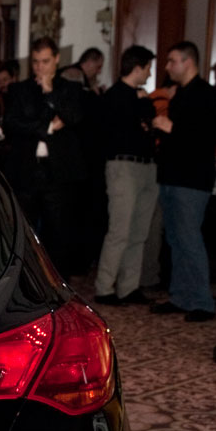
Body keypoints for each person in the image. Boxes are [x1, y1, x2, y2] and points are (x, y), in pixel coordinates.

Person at [3, 36, 87, 277]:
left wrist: (50, 93)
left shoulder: (69, 89)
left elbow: (74, 117)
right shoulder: (20, 89)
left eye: (45, 61)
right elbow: (12, 123)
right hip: (27, 170)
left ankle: (58, 285)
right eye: (36, 62)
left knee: (59, 234)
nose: (40, 67)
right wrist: (48, 127)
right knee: (23, 234)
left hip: (58, 173)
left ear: (57, 59)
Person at [150, 41, 216, 322]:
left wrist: (171, 128)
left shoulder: (206, 94)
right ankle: (181, 296)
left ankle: (202, 302)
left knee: (189, 239)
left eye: (172, 61)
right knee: (176, 239)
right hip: (173, 176)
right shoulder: (180, 94)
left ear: (188, 62)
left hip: (192, 179)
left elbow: (206, 138)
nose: (168, 67)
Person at [93, 45, 157, 306]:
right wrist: (142, 106)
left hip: (146, 166)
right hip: (123, 166)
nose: (149, 74)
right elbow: (129, 126)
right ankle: (104, 287)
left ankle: (129, 286)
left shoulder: (139, 97)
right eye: (148, 68)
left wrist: (144, 106)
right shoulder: (116, 95)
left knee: (139, 232)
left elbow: (149, 121)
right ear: (138, 67)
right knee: (120, 230)